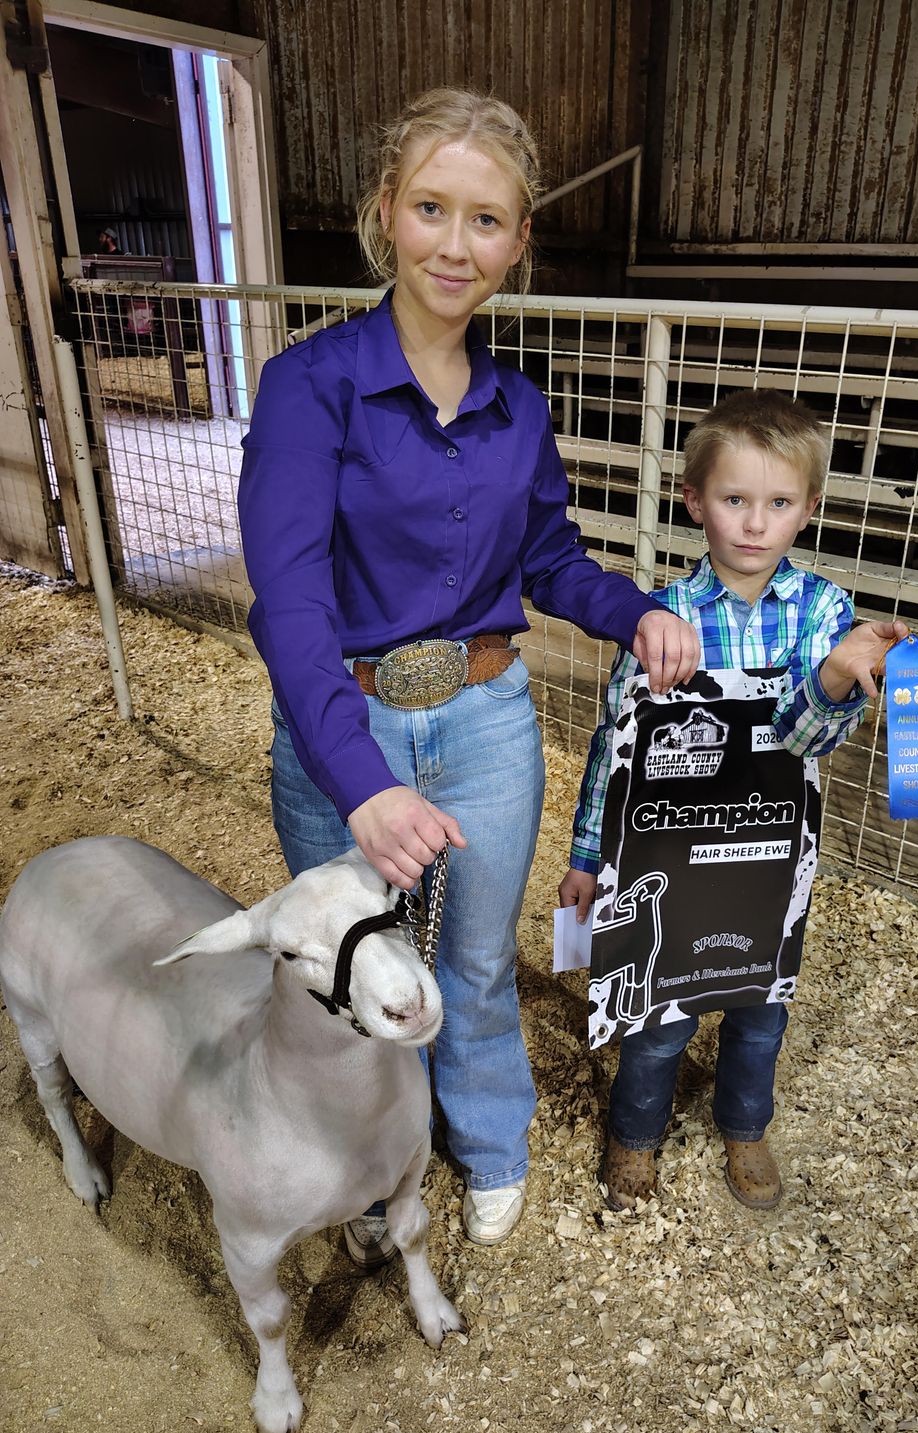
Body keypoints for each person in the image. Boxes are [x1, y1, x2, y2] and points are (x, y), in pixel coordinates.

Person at [236, 88, 699, 1258]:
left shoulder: (517, 408)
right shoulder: (309, 386)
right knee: (354, 967)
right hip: (346, 723)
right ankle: (361, 1168)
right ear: (386, 211)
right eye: (432, 208)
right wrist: (361, 782)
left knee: (478, 963)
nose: (456, 244)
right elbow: (290, 602)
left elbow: (549, 560)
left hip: (488, 718)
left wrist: (637, 611)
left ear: (518, 240)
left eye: (486, 220)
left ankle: (489, 1137)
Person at [559, 389, 906, 1213]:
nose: (755, 523)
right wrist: (586, 857)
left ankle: (746, 1127)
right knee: (660, 1017)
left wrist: (833, 677)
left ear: (809, 508)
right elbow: (615, 744)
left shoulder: (823, 613)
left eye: (779, 503)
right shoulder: (663, 617)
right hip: (670, 855)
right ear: (694, 499)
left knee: (760, 1011)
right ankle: (634, 1135)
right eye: (735, 499)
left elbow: (809, 741)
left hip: (769, 857)